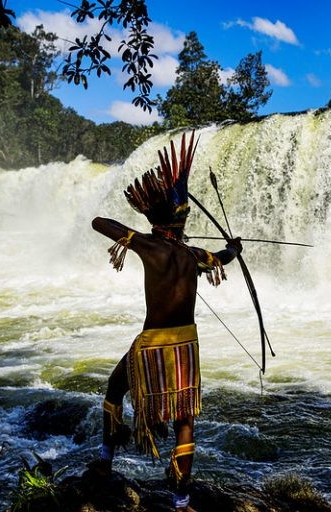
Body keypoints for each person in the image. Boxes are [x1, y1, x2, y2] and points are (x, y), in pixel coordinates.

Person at [88, 131, 242, 512]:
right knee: (184, 421)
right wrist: (234, 248)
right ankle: (181, 501)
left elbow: (97, 222)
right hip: (186, 346)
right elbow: (221, 258)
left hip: (153, 344)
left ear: (154, 219)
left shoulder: (148, 245)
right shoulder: (193, 255)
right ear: (180, 220)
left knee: (115, 388)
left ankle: (105, 462)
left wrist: (135, 234)